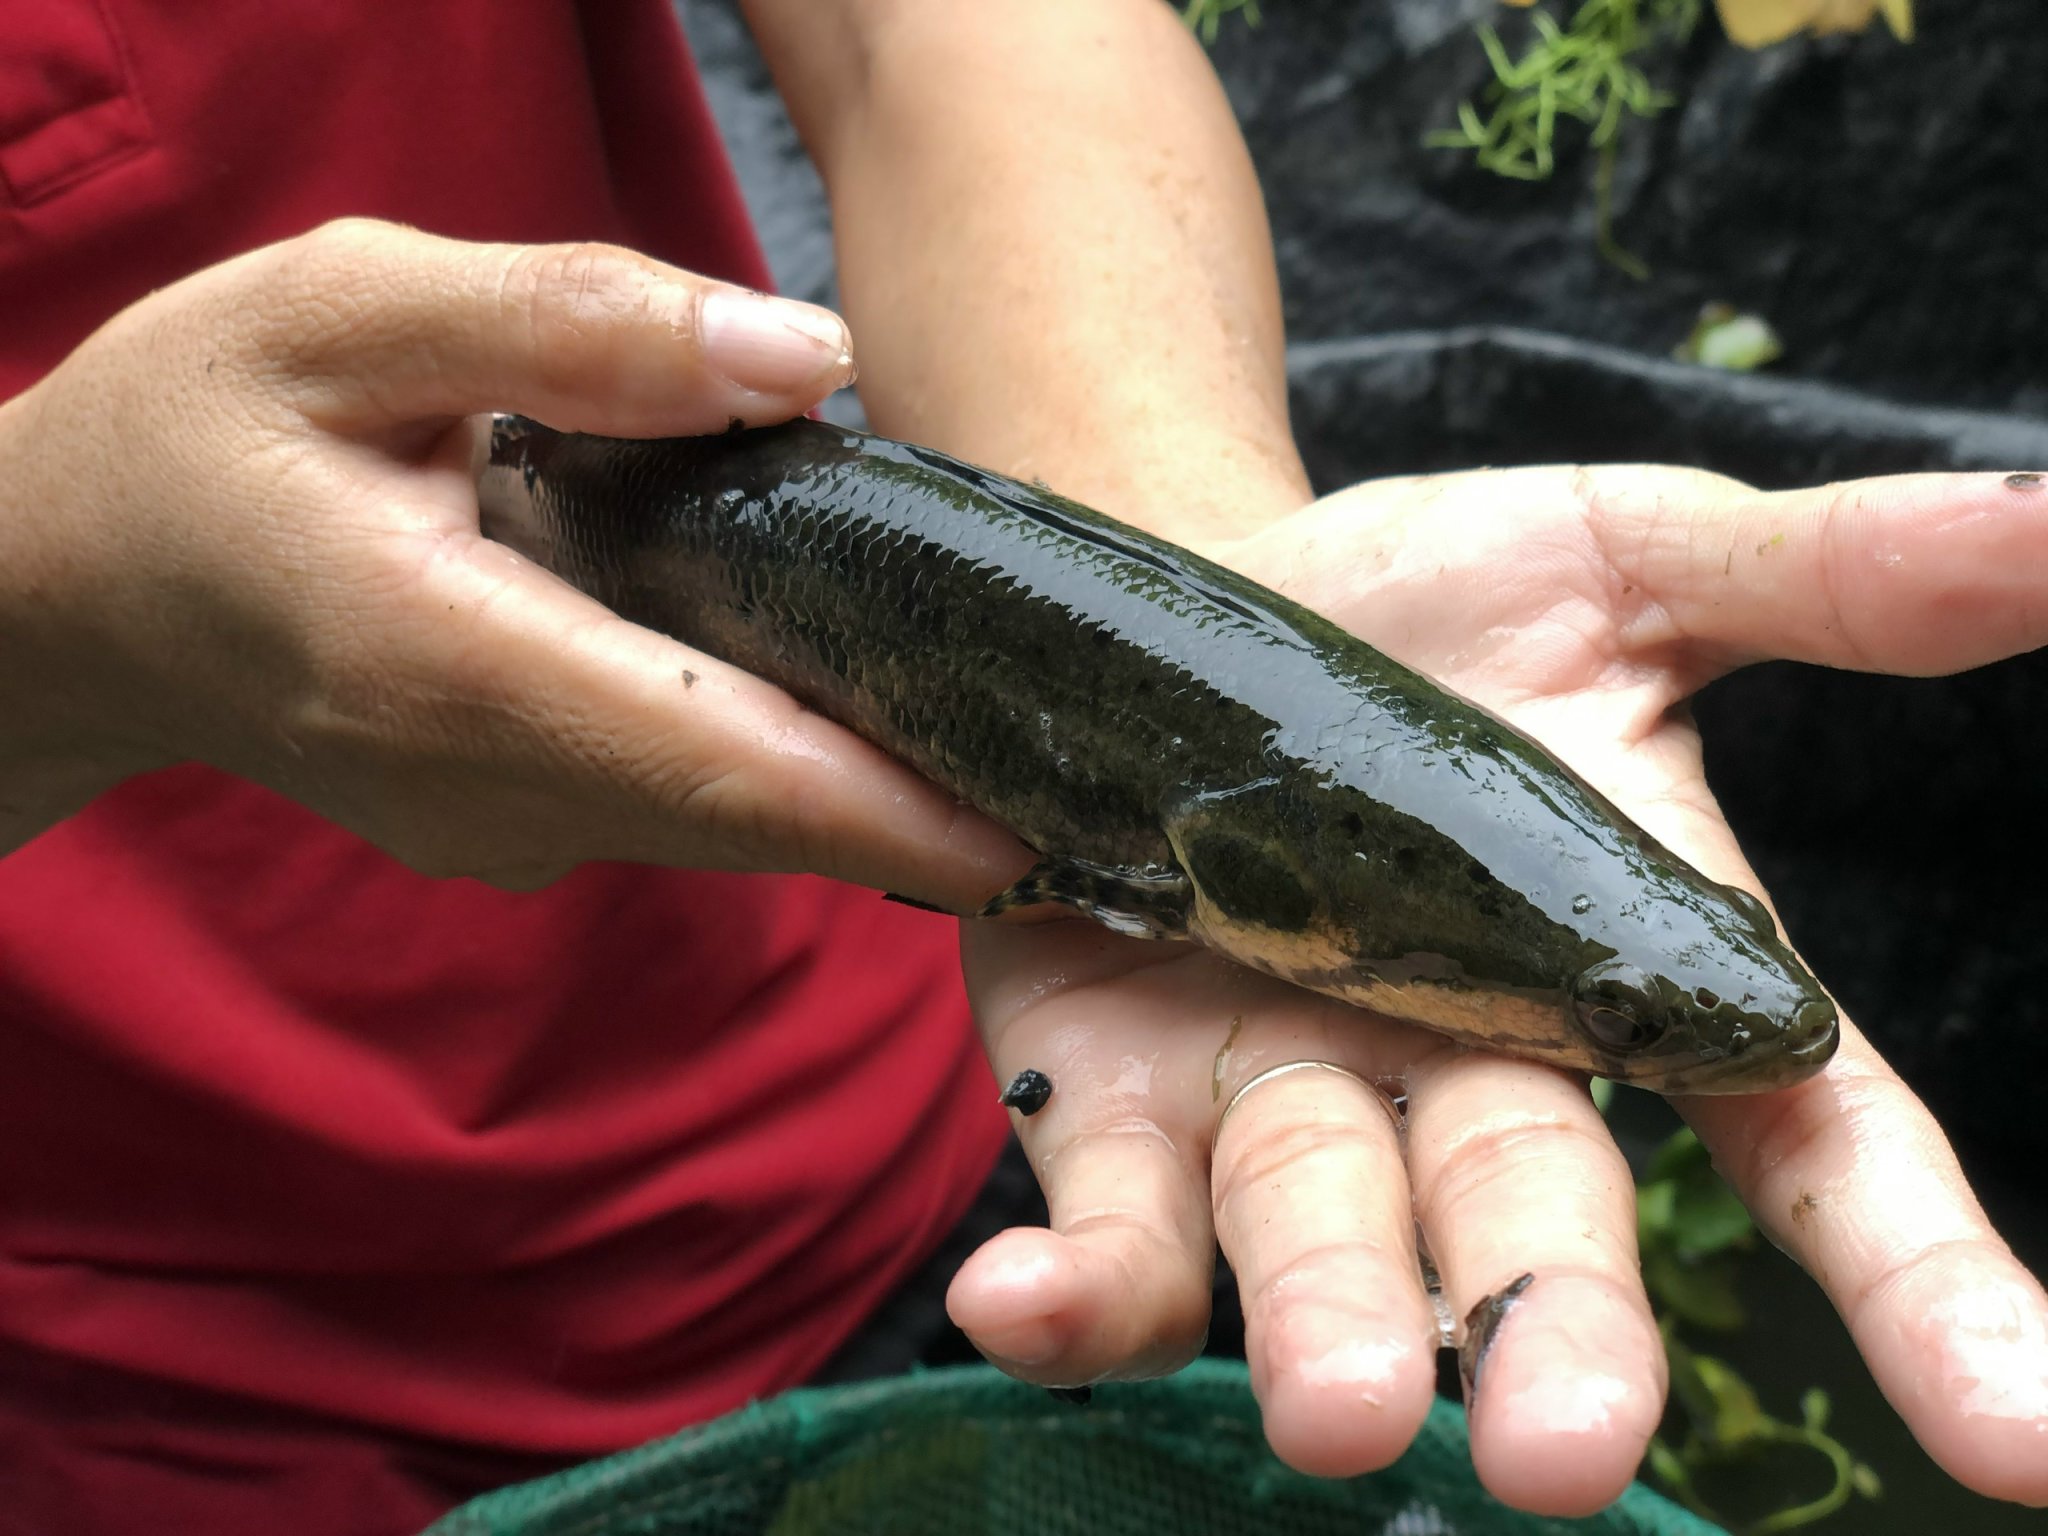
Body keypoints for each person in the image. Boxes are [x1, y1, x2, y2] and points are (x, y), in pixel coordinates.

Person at [1, 2, 2042, 1531]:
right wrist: (69, 603)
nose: (1624, 1018)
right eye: (1598, 993)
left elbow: (932, 33)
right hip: (207, 1400)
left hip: (948, 1087)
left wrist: (1187, 541)